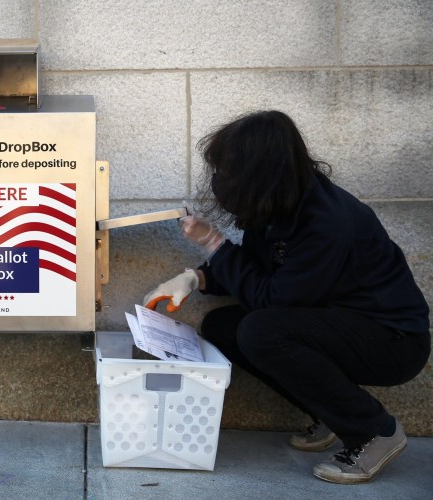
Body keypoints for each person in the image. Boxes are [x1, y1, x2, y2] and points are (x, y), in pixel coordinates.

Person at [143, 110, 430, 484]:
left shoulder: (326, 223)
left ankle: (375, 433)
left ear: (258, 173)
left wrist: (214, 243)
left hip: (392, 340)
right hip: (338, 323)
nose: (219, 181)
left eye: (228, 171)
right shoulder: (282, 203)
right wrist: (195, 277)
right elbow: (258, 269)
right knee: (223, 325)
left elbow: (273, 298)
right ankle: (332, 415)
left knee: (262, 330)